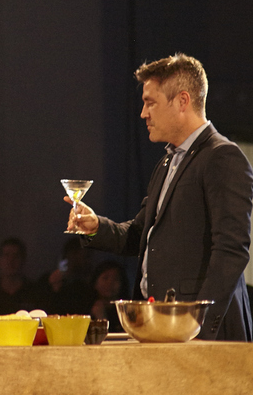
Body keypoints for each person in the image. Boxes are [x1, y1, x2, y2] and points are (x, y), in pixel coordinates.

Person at [69, 54, 253, 341]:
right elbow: (140, 234)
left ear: (182, 101)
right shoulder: (167, 163)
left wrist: (197, 327)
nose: (143, 113)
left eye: (150, 102)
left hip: (201, 337)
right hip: (163, 329)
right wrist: (95, 227)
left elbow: (232, 250)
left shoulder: (222, 157)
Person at [0, 237, 43, 315]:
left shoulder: (37, 294)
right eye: (6, 255)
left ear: (23, 260)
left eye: (16, 256)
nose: (11, 260)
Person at [88, 260, 127, 330]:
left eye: (115, 279)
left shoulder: (125, 311)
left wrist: (102, 318)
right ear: (95, 282)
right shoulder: (87, 308)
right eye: (105, 278)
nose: (110, 283)